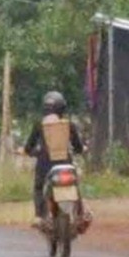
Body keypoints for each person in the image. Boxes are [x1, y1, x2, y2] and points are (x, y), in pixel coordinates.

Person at [21, 90, 84, 224]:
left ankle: (38, 216)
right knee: (75, 184)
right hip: (65, 164)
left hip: (44, 166)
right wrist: (81, 150)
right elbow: (78, 147)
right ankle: (80, 213)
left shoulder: (39, 125)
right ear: (62, 108)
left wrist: (33, 152)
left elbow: (28, 147)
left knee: (38, 187)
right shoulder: (69, 125)